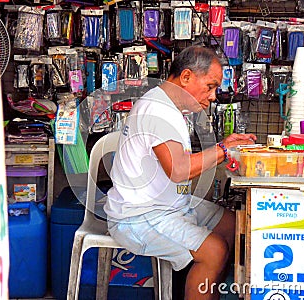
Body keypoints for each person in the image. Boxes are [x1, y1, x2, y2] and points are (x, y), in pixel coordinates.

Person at [103, 45, 256, 300]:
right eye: (210, 86)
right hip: (138, 216)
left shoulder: (167, 106)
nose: (213, 96)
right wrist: (224, 150)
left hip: (168, 206)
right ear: (186, 77)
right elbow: (179, 170)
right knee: (214, 251)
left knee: (232, 224)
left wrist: (226, 148)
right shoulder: (157, 110)